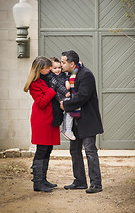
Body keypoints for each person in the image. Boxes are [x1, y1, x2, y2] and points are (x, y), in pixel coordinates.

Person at [60, 50, 104, 194]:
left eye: (63, 62)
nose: (61, 64)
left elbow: (83, 96)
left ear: (72, 64)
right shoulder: (69, 76)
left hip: (87, 119)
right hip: (74, 120)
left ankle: (96, 184)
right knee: (74, 151)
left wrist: (65, 104)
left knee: (90, 152)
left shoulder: (86, 74)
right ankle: (80, 181)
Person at [24, 56, 61, 192]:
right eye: (47, 67)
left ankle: (43, 180)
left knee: (48, 149)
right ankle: (37, 182)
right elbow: (41, 102)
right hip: (42, 119)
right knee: (41, 150)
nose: (50, 69)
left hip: (50, 118)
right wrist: (52, 89)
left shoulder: (49, 77)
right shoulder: (34, 83)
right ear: (40, 69)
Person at [47, 57, 76, 141]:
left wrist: (67, 80)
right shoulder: (51, 77)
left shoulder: (62, 74)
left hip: (64, 95)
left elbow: (66, 77)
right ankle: (68, 130)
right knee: (70, 110)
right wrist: (65, 92)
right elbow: (58, 86)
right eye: (55, 68)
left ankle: (65, 129)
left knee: (68, 112)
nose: (57, 70)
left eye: (59, 67)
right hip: (60, 96)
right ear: (50, 68)